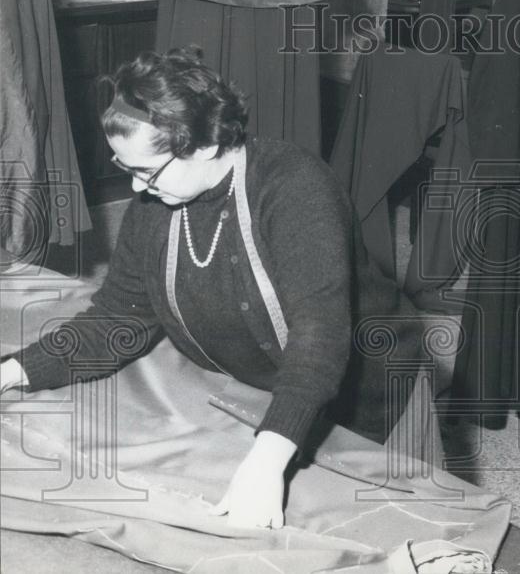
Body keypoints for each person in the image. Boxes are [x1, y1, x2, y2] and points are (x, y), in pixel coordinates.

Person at [0, 47, 425, 529]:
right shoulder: (155, 206)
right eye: (126, 169)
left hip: (366, 392)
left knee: (385, 533)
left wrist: (267, 462)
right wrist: (13, 372)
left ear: (203, 145)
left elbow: (318, 341)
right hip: (266, 388)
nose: (137, 190)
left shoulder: (295, 189)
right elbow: (116, 319)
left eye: (146, 171)